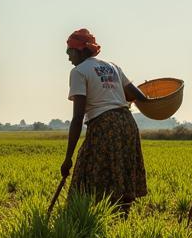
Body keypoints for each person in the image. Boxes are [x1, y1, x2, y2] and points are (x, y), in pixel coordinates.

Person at [61, 29, 148, 214]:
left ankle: (83, 218)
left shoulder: (78, 71)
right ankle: (120, 220)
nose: (68, 57)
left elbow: (78, 117)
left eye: (69, 51)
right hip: (128, 123)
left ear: (79, 51)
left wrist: (68, 158)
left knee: (88, 173)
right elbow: (140, 96)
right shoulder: (113, 66)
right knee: (120, 172)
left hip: (104, 126)